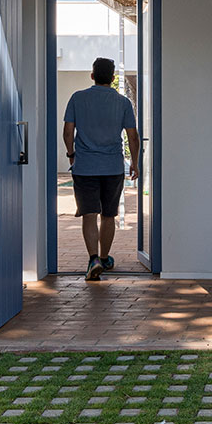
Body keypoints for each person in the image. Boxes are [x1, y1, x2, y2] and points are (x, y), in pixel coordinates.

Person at [62, 56, 141, 280]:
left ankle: (93, 258)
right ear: (113, 78)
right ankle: (105, 258)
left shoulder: (77, 98)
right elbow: (132, 136)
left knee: (89, 214)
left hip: (85, 167)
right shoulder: (123, 102)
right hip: (112, 167)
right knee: (108, 215)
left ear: (92, 75)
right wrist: (134, 161)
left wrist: (71, 155)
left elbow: (68, 132)